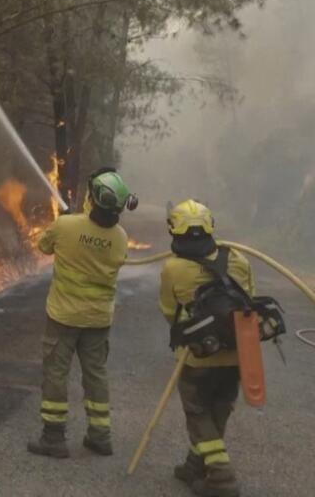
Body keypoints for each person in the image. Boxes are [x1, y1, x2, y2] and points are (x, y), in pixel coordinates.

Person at [28, 168, 135, 459]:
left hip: (63, 317)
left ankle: (53, 438)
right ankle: (100, 436)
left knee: (56, 374)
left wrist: (75, 224)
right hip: (98, 320)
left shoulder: (66, 226)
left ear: (93, 198)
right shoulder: (121, 237)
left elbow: (43, 245)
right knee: (96, 375)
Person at [160, 200, 252, 497]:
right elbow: (248, 300)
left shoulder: (173, 268)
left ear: (175, 230)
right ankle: (194, 466)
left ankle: (221, 477)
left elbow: (168, 310)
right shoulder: (238, 258)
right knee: (219, 410)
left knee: (198, 414)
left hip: (198, 356)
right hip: (237, 353)